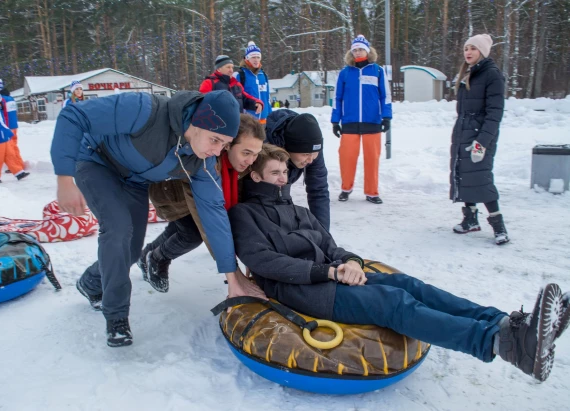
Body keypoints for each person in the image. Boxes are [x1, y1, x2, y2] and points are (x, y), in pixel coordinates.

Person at [228, 146, 570, 383]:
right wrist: (329, 271)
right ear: (255, 177)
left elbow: (331, 246)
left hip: (331, 278)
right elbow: (265, 261)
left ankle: (507, 324)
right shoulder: (245, 215)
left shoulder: (299, 211)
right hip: (301, 290)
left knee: (410, 286)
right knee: (392, 303)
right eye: (274, 172)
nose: (283, 179)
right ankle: (500, 345)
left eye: (285, 172)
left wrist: (350, 262)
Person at [50, 90, 265, 347]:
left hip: (136, 182)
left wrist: (233, 275)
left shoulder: (202, 161)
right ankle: (116, 316)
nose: (217, 151)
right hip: (96, 162)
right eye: (215, 140)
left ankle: (91, 282)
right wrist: (64, 177)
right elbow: (74, 115)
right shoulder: (145, 110)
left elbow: (214, 214)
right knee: (118, 229)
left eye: (225, 145)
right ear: (197, 121)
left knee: (130, 251)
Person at [138, 114, 266, 293]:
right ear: (227, 144)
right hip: (172, 195)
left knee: (179, 230)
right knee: (191, 233)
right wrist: (231, 270)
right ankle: (158, 257)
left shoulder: (242, 159)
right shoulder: (206, 162)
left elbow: (271, 157)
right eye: (246, 153)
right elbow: (209, 221)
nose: (251, 160)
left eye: (256, 154)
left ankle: (146, 254)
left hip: (187, 193)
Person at [451, 34, 509, 245]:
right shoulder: (468, 73)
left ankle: (498, 224)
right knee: (465, 175)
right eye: (466, 48)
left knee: (482, 178)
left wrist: (482, 141)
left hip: (480, 135)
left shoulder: (492, 75)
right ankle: (470, 219)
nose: (468, 52)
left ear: (483, 51)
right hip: (464, 133)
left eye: (473, 48)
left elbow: (495, 113)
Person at [332, 35, 392, 204]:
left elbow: (385, 97)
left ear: (367, 51)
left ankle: (372, 192)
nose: (357, 52)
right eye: (355, 49)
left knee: (372, 159)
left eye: (360, 49)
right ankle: (346, 188)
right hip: (349, 123)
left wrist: (386, 117)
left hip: (372, 122)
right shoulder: (345, 73)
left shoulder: (378, 71)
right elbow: (337, 98)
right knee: (346, 157)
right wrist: (335, 121)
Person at [265, 109, 330, 230]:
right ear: (288, 148)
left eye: (314, 153)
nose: (310, 160)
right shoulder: (267, 148)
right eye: (305, 154)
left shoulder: (312, 148)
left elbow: (319, 190)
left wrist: (324, 236)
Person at [0, 92, 29, 183]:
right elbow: (1, 124)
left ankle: (18, 172)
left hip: (2, 138)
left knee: (9, 156)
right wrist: (9, 133)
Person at [234, 41, 272, 124]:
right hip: (247, 120)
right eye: (253, 57)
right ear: (247, 58)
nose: (256, 60)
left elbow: (267, 97)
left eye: (258, 57)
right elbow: (237, 98)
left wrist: (270, 116)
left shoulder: (263, 75)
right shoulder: (240, 75)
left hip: (263, 120)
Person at [0, 79, 25, 173]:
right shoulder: (11, 99)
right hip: (14, 125)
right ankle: (19, 164)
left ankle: (14, 167)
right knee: (14, 146)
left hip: (7, 126)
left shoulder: (1, 100)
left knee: (9, 148)